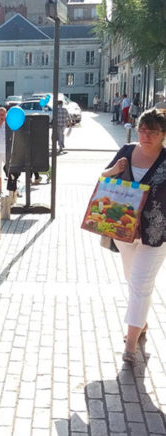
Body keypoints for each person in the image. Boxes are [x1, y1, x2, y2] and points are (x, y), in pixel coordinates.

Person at [101, 108, 166, 365]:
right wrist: (114, 169)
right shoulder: (127, 151)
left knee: (140, 283)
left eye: (153, 131)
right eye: (142, 129)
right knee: (133, 281)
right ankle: (142, 322)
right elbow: (103, 178)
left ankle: (130, 345)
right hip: (124, 232)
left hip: (156, 234)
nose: (146, 135)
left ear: (163, 135)